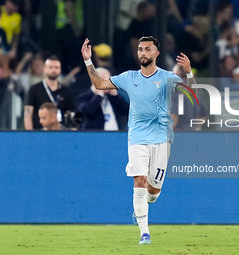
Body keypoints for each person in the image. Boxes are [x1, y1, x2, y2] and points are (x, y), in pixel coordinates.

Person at [81, 36, 195, 245]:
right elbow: (98, 82)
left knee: (153, 192)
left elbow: (192, 93)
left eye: (147, 49)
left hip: (162, 138)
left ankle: (141, 208)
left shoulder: (168, 77)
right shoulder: (128, 77)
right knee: (139, 180)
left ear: (156, 53)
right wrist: (88, 61)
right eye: (140, 49)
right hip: (137, 137)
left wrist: (188, 73)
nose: (142, 53)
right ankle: (145, 233)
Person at [24, 55, 75, 130]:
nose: (53, 70)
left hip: (61, 135)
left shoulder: (65, 91)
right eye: (50, 67)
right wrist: (30, 136)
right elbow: (28, 115)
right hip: (39, 134)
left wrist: (71, 133)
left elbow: (69, 113)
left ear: (60, 70)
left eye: (56, 67)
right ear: (44, 69)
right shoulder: (34, 89)